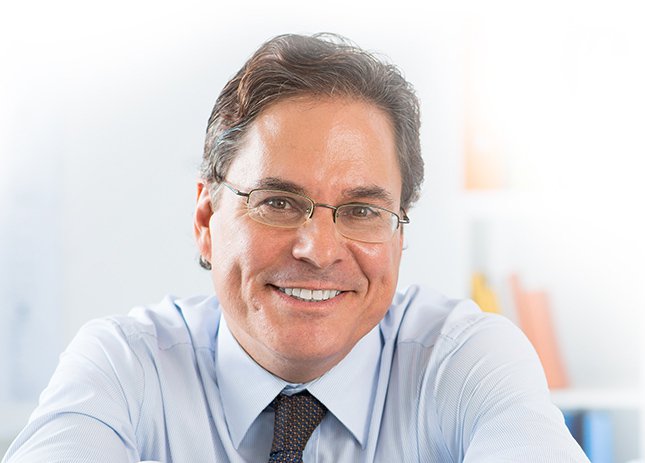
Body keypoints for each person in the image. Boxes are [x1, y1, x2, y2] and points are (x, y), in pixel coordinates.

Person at [3, 33, 588, 462]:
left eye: (362, 211)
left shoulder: (462, 361)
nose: (318, 248)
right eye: (278, 202)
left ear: (400, 238)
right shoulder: (123, 368)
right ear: (207, 218)